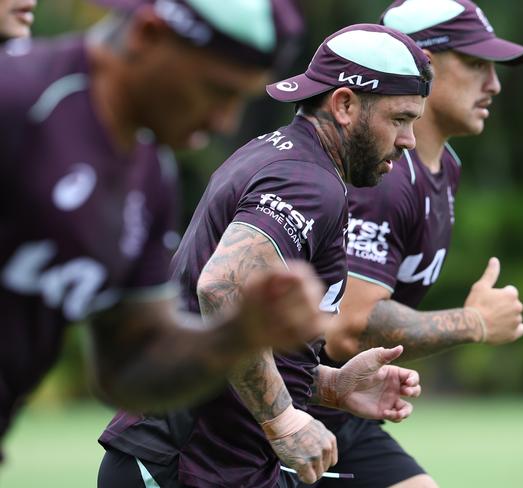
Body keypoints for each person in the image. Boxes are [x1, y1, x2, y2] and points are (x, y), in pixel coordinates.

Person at [97, 23, 433, 488]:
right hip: (182, 467)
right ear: (345, 104)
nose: (409, 140)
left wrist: (331, 386)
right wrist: (284, 422)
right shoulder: (307, 182)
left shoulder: (285, 157)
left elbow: (231, 337)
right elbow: (221, 289)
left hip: (215, 467)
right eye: (399, 119)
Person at [0, 0, 326, 453]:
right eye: (216, 90)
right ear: (147, 35)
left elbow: (129, 370)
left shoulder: (150, 175)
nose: (223, 121)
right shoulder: (17, 99)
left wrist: (237, 334)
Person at [303, 1, 523, 487]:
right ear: (420, 67)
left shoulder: (444, 167)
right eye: (474, 64)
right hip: (287, 410)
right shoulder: (382, 177)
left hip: (344, 413)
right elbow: (347, 330)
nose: (493, 83)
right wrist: (473, 323)